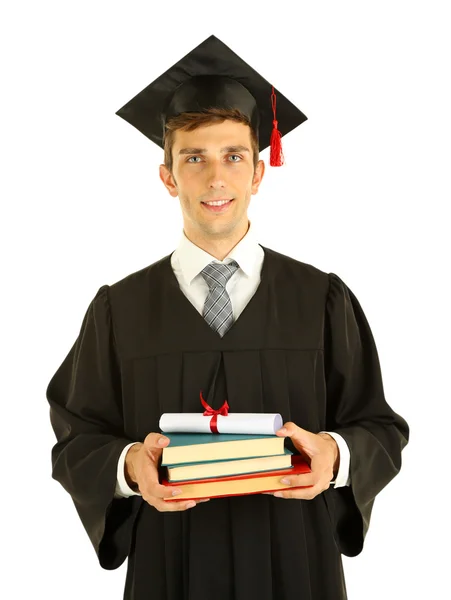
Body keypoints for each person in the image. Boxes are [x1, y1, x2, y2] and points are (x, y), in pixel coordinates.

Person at [46, 35, 409, 600]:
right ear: (168, 176)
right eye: (194, 158)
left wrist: (336, 457)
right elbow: (76, 439)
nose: (216, 178)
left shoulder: (321, 299)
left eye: (234, 157)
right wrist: (129, 467)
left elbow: (380, 428)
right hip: (171, 569)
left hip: (297, 567)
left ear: (258, 172)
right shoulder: (119, 309)